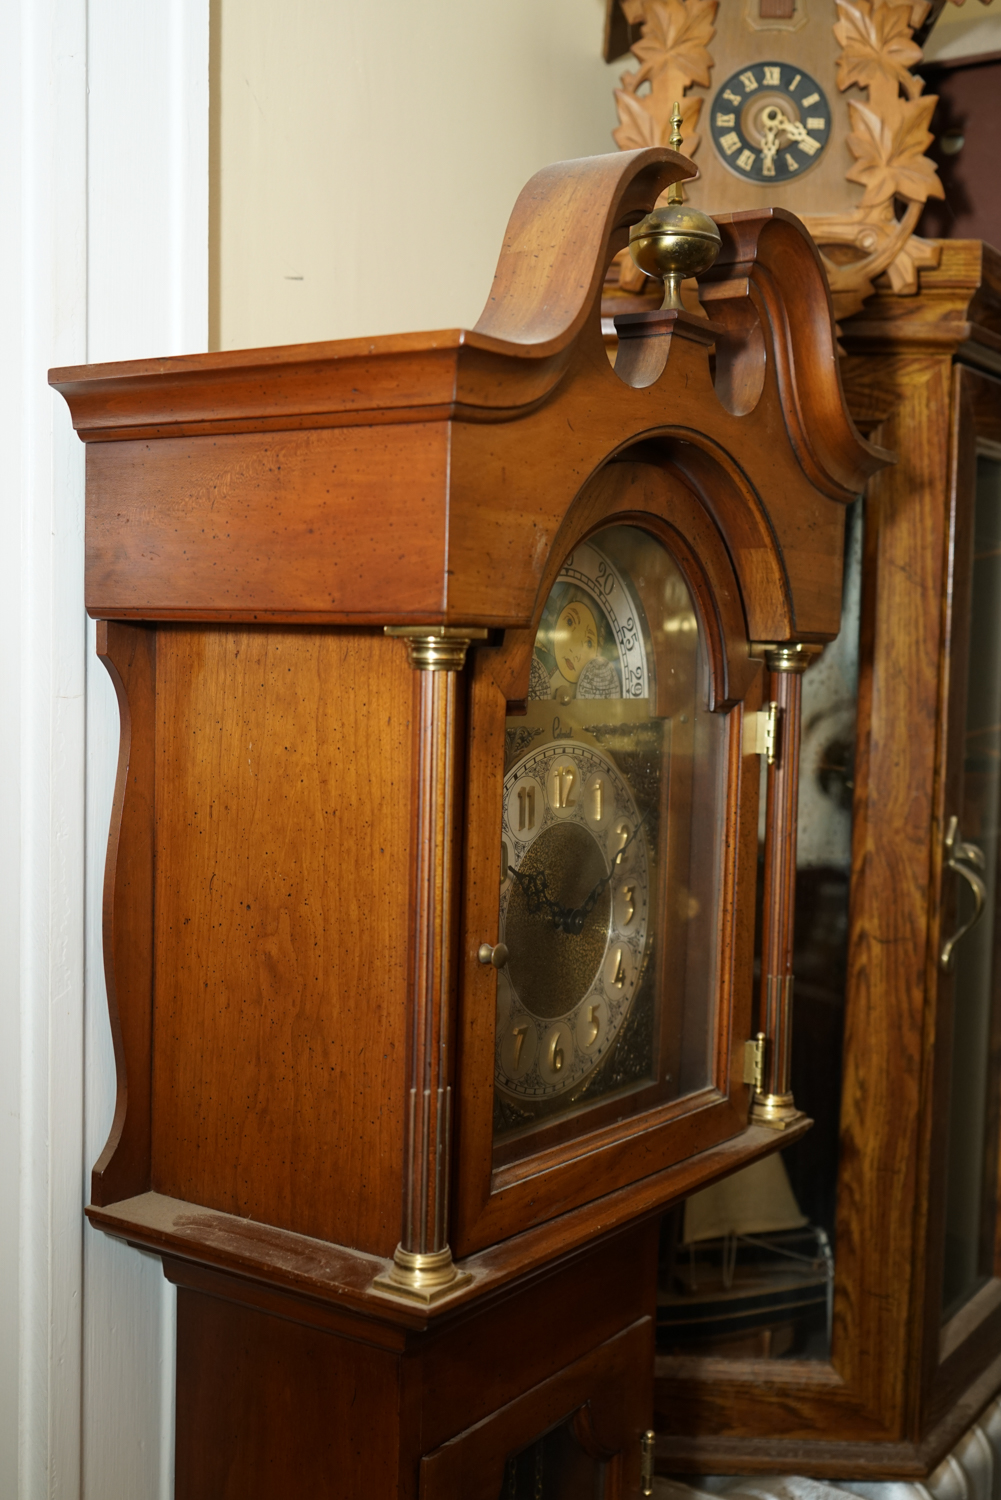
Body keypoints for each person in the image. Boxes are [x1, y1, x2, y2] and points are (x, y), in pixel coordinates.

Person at [529, 584, 621, 701]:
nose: (574, 652)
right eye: (569, 622)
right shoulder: (536, 660)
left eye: (589, 643)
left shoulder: (593, 690)